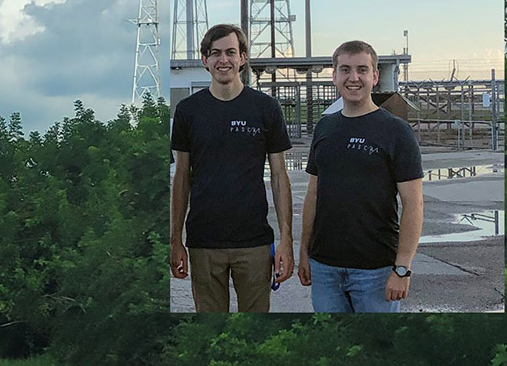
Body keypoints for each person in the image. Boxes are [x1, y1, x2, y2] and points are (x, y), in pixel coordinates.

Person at [170, 24, 294, 312]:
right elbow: (181, 179)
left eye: (230, 52)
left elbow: (279, 176)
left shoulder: (266, 108)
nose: (222, 60)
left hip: (253, 243)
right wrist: (175, 240)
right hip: (203, 242)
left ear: (243, 57)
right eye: (215, 53)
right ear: (205, 59)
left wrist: (285, 240)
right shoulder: (189, 111)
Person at [297, 40, 424, 312]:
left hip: (376, 271)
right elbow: (313, 194)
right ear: (334, 76)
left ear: (375, 76)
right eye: (345, 70)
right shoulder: (325, 127)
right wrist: (304, 251)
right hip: (325, 268)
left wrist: (402, 268)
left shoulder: (396, 132)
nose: (353, 78)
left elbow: (413, 203)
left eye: (362, 70)